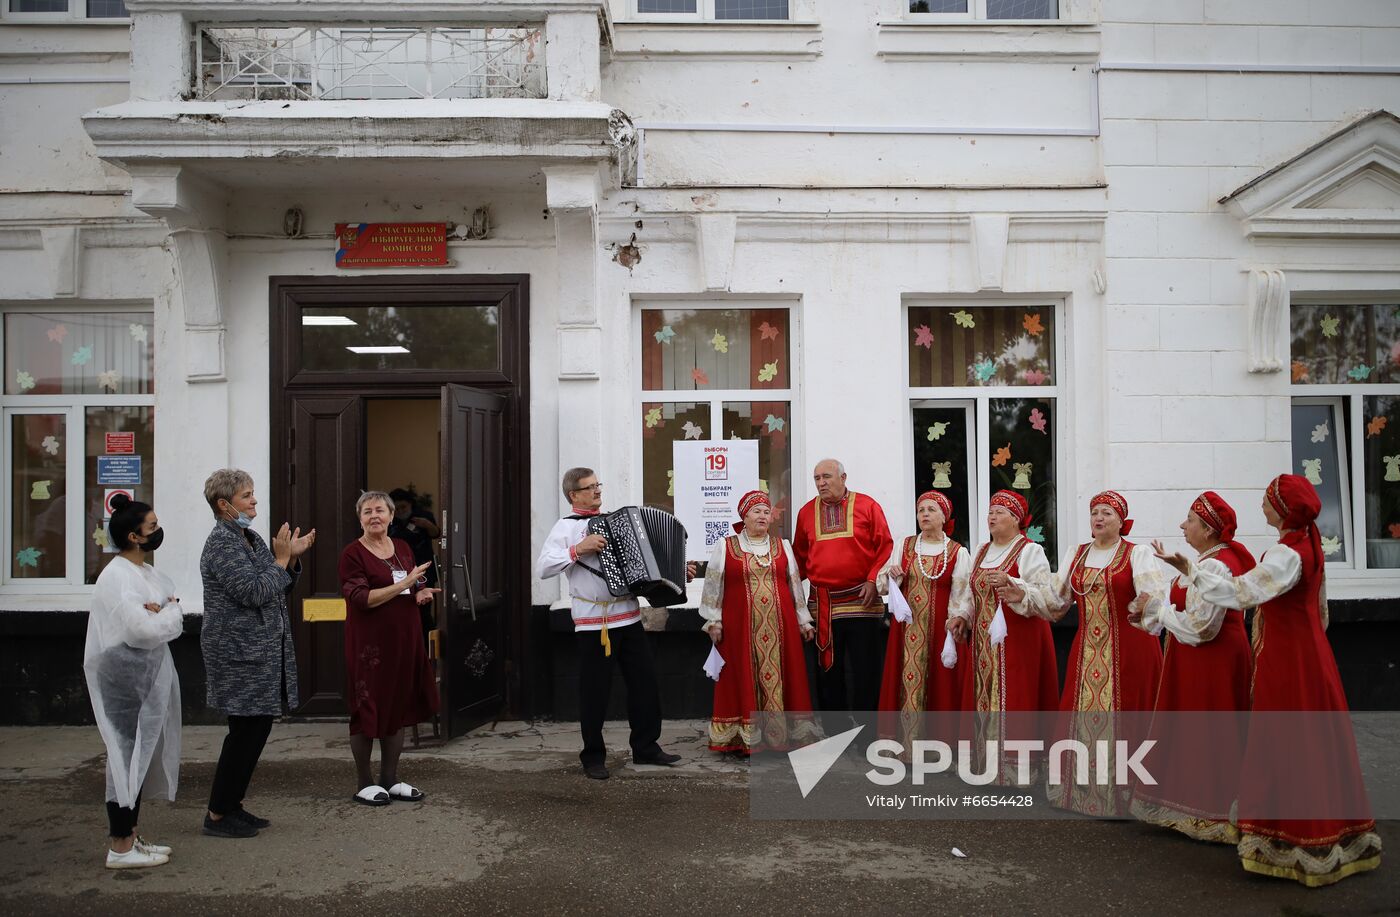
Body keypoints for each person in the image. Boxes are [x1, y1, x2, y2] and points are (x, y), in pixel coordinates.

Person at [1156, 474, 1382, 886]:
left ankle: (1298, 840)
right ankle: (1318, 831)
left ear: (1281, 509)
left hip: (1290, 662)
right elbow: (1321, 612)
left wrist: (1190, 569)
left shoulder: (1287, 553)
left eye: (1267, 499)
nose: (1261, 504)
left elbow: (1242, 593)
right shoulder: (1309, 544)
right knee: (1312, 742)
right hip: (1309, 656)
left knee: (1289, 742)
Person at [1009, 490, 1167, 816]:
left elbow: (1154, 597)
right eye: (1095, 511)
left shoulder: (1136, 554)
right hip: (1087, 651)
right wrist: (1021, 591)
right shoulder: (1076, 554)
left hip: (1130, 650)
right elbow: (1055, 602)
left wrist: (1145, 604)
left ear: (1122, 521)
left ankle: (1123, 798)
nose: (1098, 517)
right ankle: (1078, 793)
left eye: (1107, 512)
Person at [536, 467, 692, 779]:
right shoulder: (564, 528)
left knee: (645, 684)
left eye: (598, 485)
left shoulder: (618, 522)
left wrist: (671, 573)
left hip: (630, 617)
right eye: (589, 487)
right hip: (594, 623)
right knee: (595, 692)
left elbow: (641, 566)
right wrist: (577, 548)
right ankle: (593, 757)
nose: (597, 491)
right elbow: (543, 568)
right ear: (573, 494)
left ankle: (646, 746)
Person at [1130, 492, 1255, 843]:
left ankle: (1211, 813)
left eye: (1190, 520)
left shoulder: (1217, 564)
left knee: (1210, 731)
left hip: (1212, 660)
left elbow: (1202, 627)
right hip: (1196, 658)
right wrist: (1150, 611)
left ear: (1209, 529)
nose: (1182, 526)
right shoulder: (1206, 560)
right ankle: (1190, 806)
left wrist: (1158, 611)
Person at [199, 469, 315, 838]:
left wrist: (290, 560)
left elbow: (277, 585)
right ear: (224, 504)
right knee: (245, 731)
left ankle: (232, 805)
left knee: (256, 727)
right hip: (238, 653)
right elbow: (252, 592)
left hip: (262, 650)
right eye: (247, 496)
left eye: (253, 494)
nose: (254, 501)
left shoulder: (248, 538)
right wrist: (281, 561)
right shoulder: (222, 543)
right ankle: (218, 814)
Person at [84, 494, 182, 869]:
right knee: (123, 761)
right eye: (152, 527)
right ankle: (120, 847)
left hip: (144, 676)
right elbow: (143, 628)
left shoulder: (145, 572)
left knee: (136, 758)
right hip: (122, 678)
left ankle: (131, 835)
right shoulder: (118, 576)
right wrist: (170, 611)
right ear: (133, 536)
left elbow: (166, 609)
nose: (158, 532)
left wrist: (166, 610)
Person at [947, 490, 1058, 785]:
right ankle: (984, 766)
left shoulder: (1028, 550)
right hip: (984, 643)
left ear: (1015, 519)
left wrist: (1015, 585)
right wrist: (962, 617)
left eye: (999, 512)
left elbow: (1045, 594)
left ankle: (1015, 772)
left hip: (1019, 640)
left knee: (1016, 698)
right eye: (990, 511)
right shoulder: (981, 551)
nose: (992, 517)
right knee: (983, 696)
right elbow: (971, 594)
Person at [338, 491, 442, 805]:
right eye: (367, 511)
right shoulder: (352, 554)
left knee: (397, 706)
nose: (374, 516)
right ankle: (364, 782)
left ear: (391, 516)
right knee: (367, 708)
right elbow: (361, 598)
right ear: (360, 519)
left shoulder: (403, 547)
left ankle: (390, 778)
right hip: (370, 646)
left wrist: (420, 592)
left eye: (380, 510)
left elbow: (413, 583)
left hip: (404, 639)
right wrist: (404, 585)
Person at [699, 489, 817, 754]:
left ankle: (782, 738)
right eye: (756, 511)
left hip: (781, 627)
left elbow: (795, 585)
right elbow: (712, 586)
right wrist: (712, 620)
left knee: (787, 677)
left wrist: (804, 621)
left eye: (766, 511)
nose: (763, 516)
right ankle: (744, 740)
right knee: (742, 677)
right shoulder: (726, 546)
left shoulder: (782, 546)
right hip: (740, 628)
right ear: (745, 515)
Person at [791, 459, 893, 729]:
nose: (821, 483)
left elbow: (884, 546)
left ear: (843, 477)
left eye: (826, 477)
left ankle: (868, 729)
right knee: (828, 670)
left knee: (865, 669)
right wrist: (780, 591)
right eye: (816, 478)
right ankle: (835, 729)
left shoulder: (867, 506)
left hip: (862, 601)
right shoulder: (805, 513)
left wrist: (873, 579)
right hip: (823, 604)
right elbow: (798, 558)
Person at [877, 491, 971, 744]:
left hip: (940, 629)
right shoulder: (905, 545)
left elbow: (963, 594)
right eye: (921, 510)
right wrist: (891, 573)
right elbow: (883, 585)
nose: (925, 514)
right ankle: (904, 744)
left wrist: (957, 620)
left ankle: (938, 745)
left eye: (931, 510)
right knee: (903, 679)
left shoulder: (957, 552)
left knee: (940, 685)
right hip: (906, 630)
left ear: (944, 516)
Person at [388, 487, 440, 651]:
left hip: (423, 571)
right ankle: (406, 648)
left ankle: (427, 650)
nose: (401, 511)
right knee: (402, 610)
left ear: (410, 504)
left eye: (404, 507)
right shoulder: (391, 521)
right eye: (397, 509)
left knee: (424, 611)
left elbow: (436, 533)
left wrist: (427, 525)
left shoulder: (422, 515)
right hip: (399, 572)